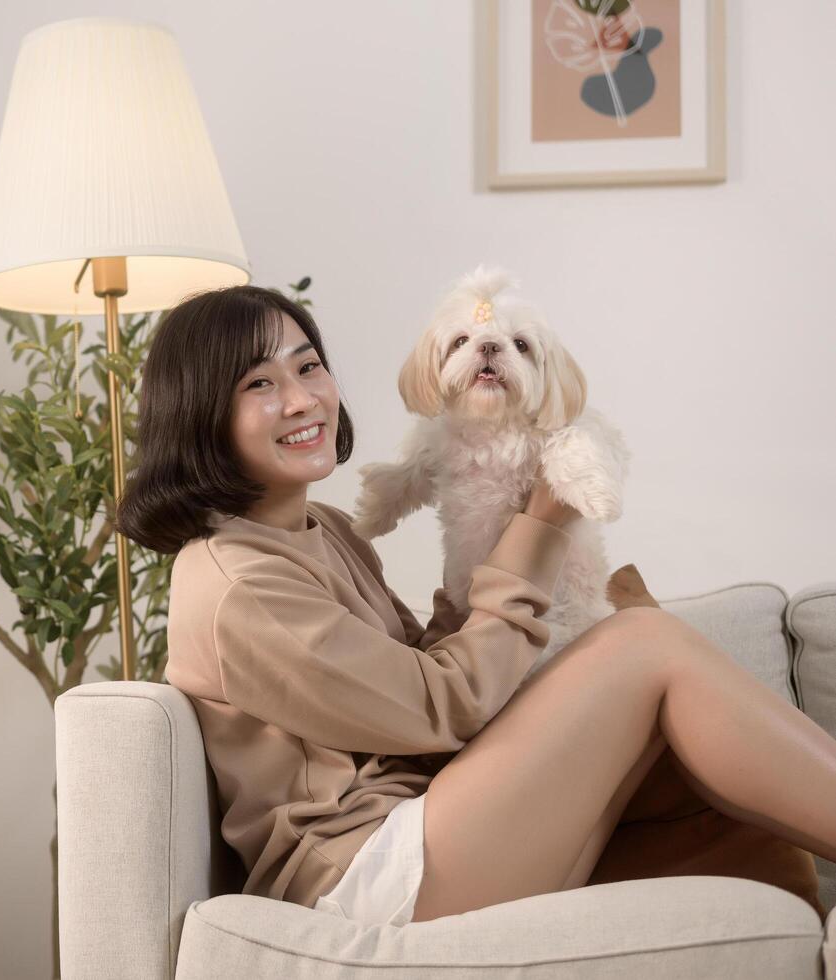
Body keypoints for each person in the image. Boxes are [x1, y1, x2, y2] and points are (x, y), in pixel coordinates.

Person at [114, 283, 836, 925]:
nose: (302, 399)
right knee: (642, 644)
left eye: (307, 366)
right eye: (258, 384)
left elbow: (416, 670)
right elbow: (440, 708)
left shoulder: (319, 531)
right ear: (202, 413)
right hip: (366, 876)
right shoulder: (236, 582)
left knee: (691, 767)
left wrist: (483, 552)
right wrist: (539, 530)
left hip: (435, 822)